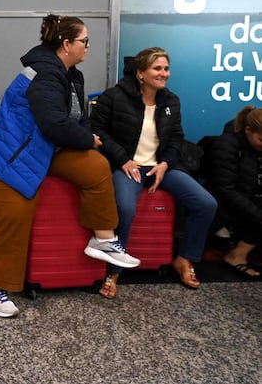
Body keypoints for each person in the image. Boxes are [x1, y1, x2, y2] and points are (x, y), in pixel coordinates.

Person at [0, 14, 140, 318]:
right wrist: (86, 139)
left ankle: (103, 239)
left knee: (94, 166)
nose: (88, 46)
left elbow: (76, 121)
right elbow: (53, 123)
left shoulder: (70, 74)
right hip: (10, 155)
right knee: (15, 214)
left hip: (45, 149)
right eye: (84, 41)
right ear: (66, 44)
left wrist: (89, 140)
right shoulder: (46, 74)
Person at [90, 47, 217, 298]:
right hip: (127, 166)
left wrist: (166, 164)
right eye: (157, 68)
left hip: (160, 167)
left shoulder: (171, 101)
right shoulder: (114, 97)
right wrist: (123, 159)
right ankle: (113, 270)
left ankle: (184, 258)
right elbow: (96, 130)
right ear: (140, 72)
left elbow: (176, 138)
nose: (163, 74)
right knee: (125, 209)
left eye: (166, 68)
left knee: (206, 204)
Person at [204, 105, 262, 278]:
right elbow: (225, 189)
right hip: (227, 203)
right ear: (248, 131)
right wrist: (258, 214)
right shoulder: (227, 145)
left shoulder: (256, 144)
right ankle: (237, 256)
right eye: (261, 139)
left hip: (250, 196)